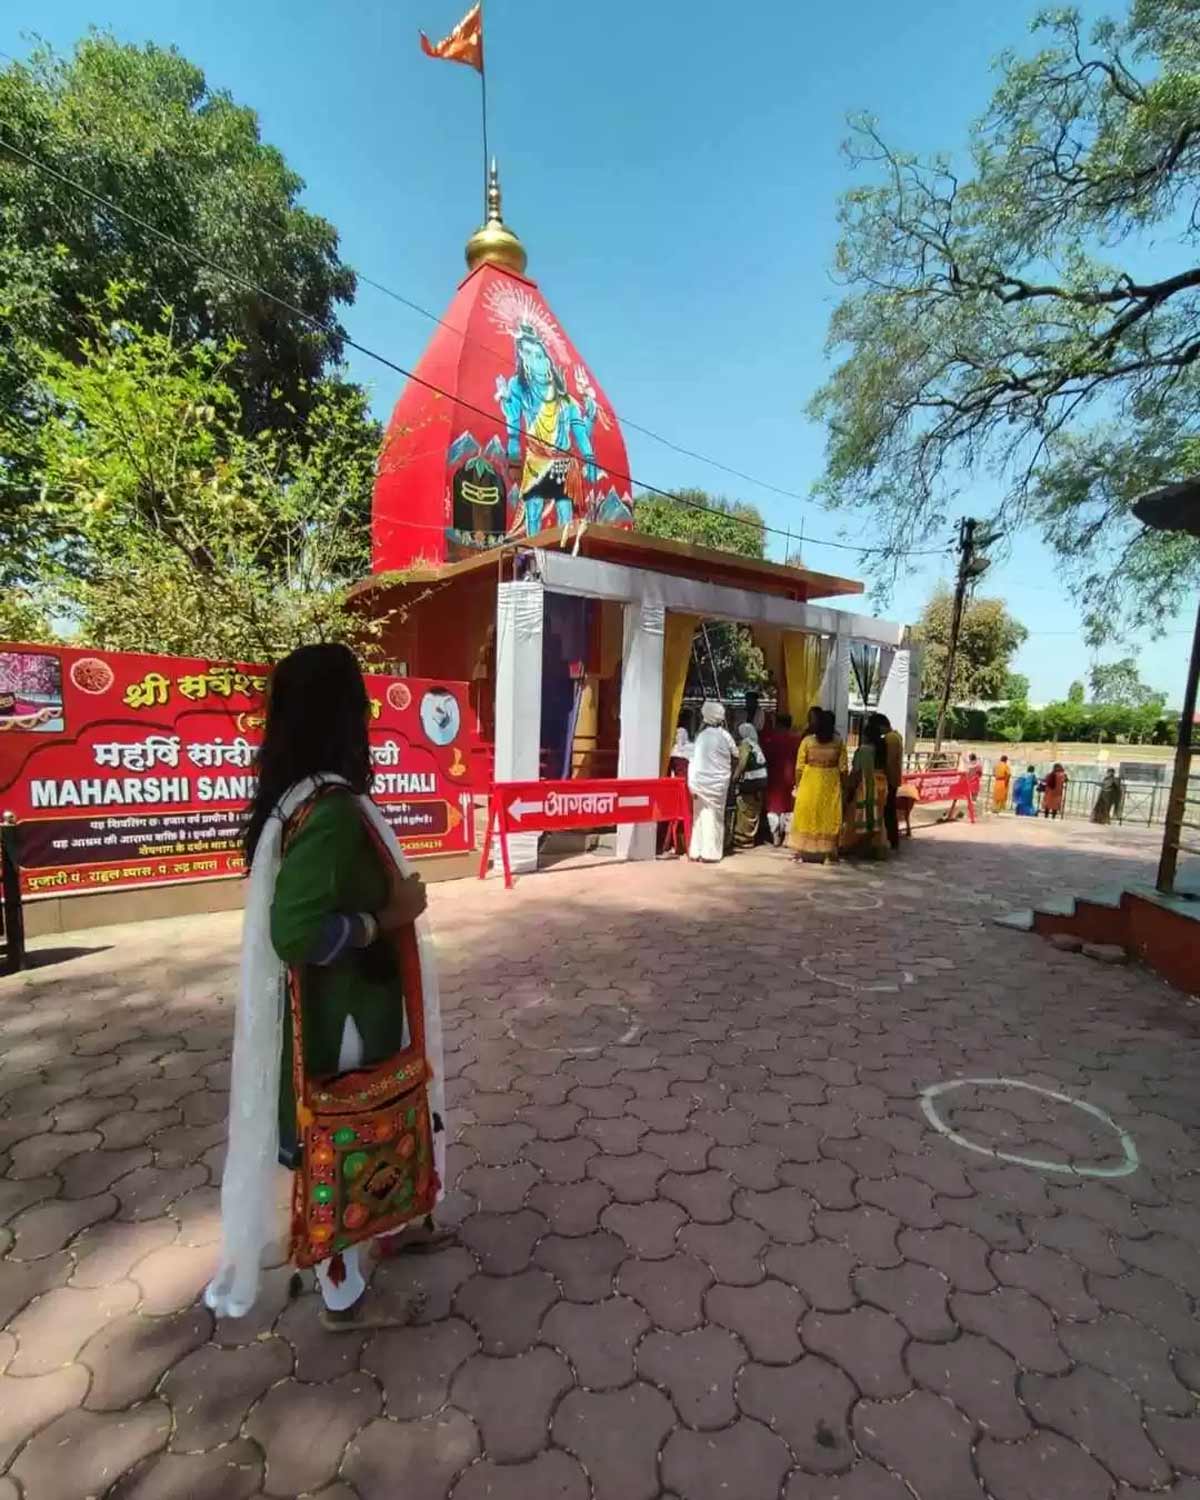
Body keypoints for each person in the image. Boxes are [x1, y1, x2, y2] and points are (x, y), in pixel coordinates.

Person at [206, 644, 447, 1332]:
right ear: (343, 713)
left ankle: (389, 1226)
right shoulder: (332, 811)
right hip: (342, 1018)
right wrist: (384, 920)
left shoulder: (297, 797)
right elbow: (296, 934)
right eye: (361, 700)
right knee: (345, 1139)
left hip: (338, 1012)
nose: (370, 713)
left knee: (356, 1138)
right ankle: (342, 1291)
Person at [788, 708, 846, 863]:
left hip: (809, 781)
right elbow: (843, 768)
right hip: (831, 783)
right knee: (829, 816)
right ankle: (828, 854)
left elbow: (799, 767)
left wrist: (798, 784)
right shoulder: (838, 742)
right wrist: (843, 785)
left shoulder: (807, 742)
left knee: (806, 814)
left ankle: (800, 853)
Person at [688, 701, 738, 862]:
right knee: (715, 816)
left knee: (699, 815)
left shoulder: (701, 737)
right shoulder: (725, 735)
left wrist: (692, 783)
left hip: (699, 783)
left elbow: (694, 760)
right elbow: (736, 754)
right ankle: (711, 853)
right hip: (718, 784)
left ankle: (696, 851)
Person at [841, 722, 890, 859]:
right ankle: (877, 848)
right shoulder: (883, 747)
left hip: (868, 785)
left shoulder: (864, 750)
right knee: (878, 818)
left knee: (856, 816)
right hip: (882, 784)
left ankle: (850, 846)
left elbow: (857, 770)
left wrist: (848, 788)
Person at [761, 712, 803, 845]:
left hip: (773, 777)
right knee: (789, 807)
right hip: (790, 777)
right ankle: (786, 836)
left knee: (773, 808)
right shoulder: (797, 740)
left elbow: (765, 757)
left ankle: (775, 835)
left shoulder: (771, 739)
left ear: (778, 724)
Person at [867, 712, 904, 851]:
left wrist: (884, 776)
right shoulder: (896, 736)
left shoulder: (891, 739)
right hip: (894, 777)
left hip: (890, 778)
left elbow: (888, 761)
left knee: (888, 811)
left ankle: (891, 839)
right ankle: (891, 838)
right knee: (889, 810)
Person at [732, 722, 768, 848]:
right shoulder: (756, 745)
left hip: (750, 781)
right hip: (760, 781)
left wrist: (735, 777)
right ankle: (750, 837)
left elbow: (742, 763)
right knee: (754, 808)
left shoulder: (746, 745)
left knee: (744, 808)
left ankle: (743, 838)